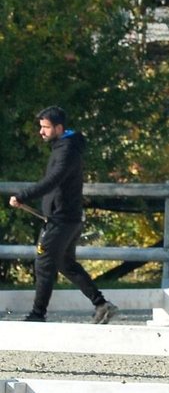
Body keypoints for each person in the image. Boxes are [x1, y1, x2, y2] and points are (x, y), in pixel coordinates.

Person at [9, 107, 118, 324]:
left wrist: (23, 196)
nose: (41, 132)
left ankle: (37, 315)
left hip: (62, 220)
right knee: (66, 264)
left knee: (44, 264)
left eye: (45, 127)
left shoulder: (66, 151)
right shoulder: (63, 147)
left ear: (58, 128)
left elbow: (54, 180)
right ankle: (101, 304)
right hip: (67, 218)